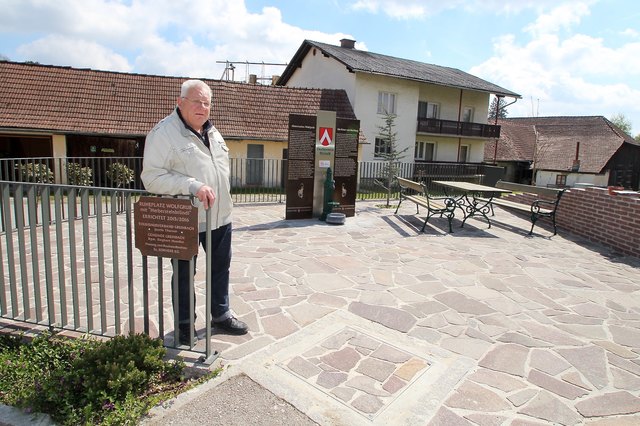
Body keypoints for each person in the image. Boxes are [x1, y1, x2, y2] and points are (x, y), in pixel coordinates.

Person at [141, 79, 248, 345]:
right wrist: (191, 185)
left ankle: (221, 314)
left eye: (207, 103)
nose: (202, 107)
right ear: (180, 102)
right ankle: (185, 326)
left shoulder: (213, 132)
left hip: (220, 217)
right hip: (185, 219)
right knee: (185, 275)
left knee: (220, 269)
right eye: (197, 101)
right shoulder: (164, 133)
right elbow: (151, 178)